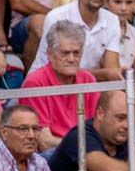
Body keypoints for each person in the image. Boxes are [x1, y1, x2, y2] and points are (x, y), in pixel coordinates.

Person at [30, 0, 121, 81]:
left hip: (87, 84)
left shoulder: (112, 20)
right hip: (49, 84)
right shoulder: (57, 17)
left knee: (117, 96)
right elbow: (58, 69)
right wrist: (103, 74)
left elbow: (112, 70)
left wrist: (105, 74)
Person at [22, 21, 99, 151]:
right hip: (54, 153)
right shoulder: (35, 83)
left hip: (86, 150)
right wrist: (82, 147)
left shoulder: (88, 79)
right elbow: (44, 141)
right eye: (65, 53)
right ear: (50, 54)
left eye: (76, 53)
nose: (71, 59)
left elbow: (98, 129)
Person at [6, 0, 85, 70]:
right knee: (40, 23)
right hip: (26, 24)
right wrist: (55, 15)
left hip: (73, 19)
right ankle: (35, 81)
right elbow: (18, 1)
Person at [0, 105, 59, 171]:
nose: (31, 136)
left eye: (35, 129)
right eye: (23, 129)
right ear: (4, 132)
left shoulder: (40, 163)